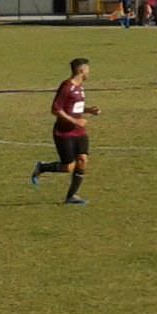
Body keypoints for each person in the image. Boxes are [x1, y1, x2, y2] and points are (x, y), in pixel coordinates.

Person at [31, 57, 96, 205]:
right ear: (81, 70)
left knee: (82, 160)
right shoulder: (66, 86)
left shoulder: (80, 87)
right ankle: (42, 167)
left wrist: (89, 110)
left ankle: (71, 196)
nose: (89, 72)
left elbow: (74, 107)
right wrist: (75, 121)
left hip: (79, 132)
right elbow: (55, 109)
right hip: (64, 132)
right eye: (87, 69)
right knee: (68, 167)